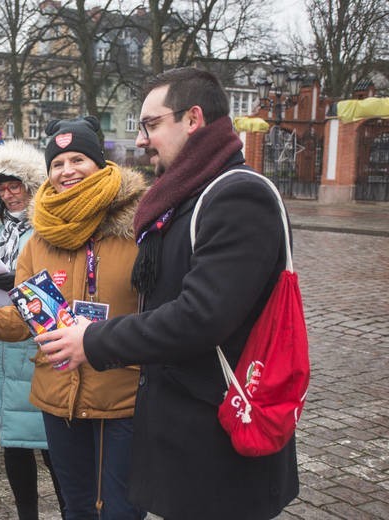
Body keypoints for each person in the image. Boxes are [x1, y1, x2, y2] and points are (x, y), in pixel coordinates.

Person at [36, 67, 300, 519]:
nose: (141, 141)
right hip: (187, 436)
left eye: (152, 125)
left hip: (223, 439)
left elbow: (201, 317)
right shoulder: (181, 200)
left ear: (193, 119)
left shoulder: (237, 195)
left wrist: (93, 340)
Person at [0, 117, 146, 519]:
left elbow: (159, 315)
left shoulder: (138, 228)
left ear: (100, 163)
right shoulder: (40, 237)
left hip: (120, 399)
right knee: (77, 510)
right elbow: (22, 320)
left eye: (78, 159)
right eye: (58, 163)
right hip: (58, 399)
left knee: (121, 511)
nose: (67, 171)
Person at [0, 140, 65, 520]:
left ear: (32, 186)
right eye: (1, 189)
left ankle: (71, 509)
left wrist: (21, 283)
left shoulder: (48, 228)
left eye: (16, 187)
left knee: (53, 443)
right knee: (13, 442)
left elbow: (58, 284)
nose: (8, 195)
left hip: (32, 344)